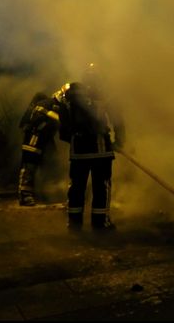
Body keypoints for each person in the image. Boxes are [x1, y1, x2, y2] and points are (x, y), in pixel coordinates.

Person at [56, 65, 124, 231]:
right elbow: (117, 120)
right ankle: (101, 223)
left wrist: (74, 139)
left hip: (78, 151)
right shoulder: (105, 95)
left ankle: (74, 223)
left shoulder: (69, 97)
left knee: (77, 187)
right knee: (102, 187)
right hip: (101, 150)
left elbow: (63, 128)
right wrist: (119, 141)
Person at [18, 92, 61, 206]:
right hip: (35, 136)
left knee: (52, 162)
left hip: (45, 137)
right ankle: (25, 195)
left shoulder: (56, 107)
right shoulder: (46, 104)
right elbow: (29, 123)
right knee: (30, 165)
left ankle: (48, 191)